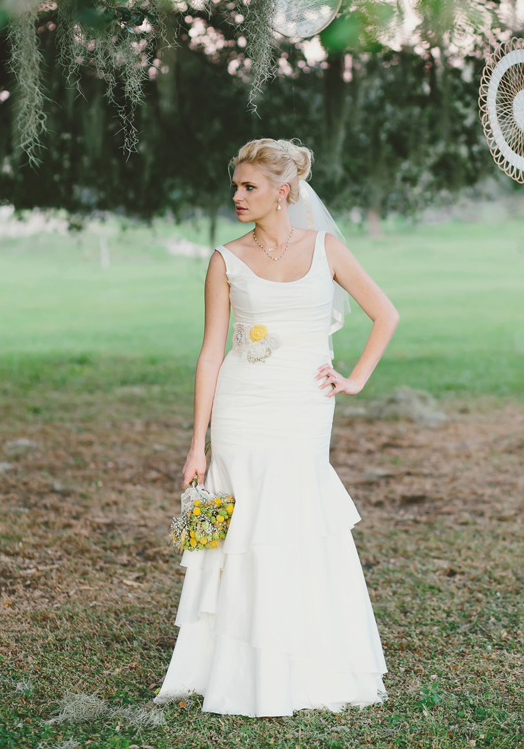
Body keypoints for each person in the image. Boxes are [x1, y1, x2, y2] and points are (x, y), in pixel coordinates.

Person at [155, 138, 400, 717]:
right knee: (241, 524)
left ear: (282, 191)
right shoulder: (225, 259)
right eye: (236, 186)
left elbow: (385, 313)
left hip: (305, 407)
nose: (237, 196)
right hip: (242, 407)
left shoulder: (327, 249)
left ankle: (308, 660)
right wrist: (198, 444)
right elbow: (211, 354)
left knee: (295, 517)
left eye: (249, 187)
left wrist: (356, 378)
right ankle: (235, 666)